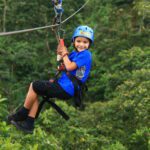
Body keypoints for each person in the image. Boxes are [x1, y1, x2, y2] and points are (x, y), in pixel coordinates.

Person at [7, 25, 94, 134]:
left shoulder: (86, 54)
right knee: (35, 90)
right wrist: (61, 52)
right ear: (74, 41)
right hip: (65, 86)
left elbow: (70, 67)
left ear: (89, 44)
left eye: (85, 42)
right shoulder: (75, 54)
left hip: (67, 88)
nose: (81, 44)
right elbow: (65, 62)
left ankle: (23, 113)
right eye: (79, 41)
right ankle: (29, 123)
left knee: (35, 85)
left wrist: (65, 54)